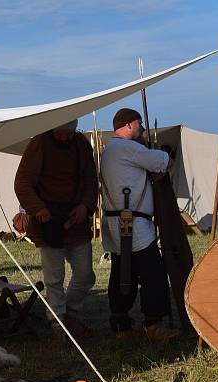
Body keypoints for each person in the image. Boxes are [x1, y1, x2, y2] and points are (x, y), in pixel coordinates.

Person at [14, 119, 98, 344]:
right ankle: (58, 323)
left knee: (85, 275)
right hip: (48, 222)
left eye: (67, 134)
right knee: (54, 278)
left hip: (76, 221)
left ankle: (70, 316)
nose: (63, 137)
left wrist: (85, 206)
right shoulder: (39, 143)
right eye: (59, 133)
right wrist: (38, 208)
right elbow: (22, 182)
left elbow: (91, 180)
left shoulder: (80, 143)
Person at [99, 108, 179, 341]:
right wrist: (162, 154)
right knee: (152, 273)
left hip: (119, 221)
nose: (141, 128)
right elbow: (165, 162)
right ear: (128, 125)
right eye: (138, 124)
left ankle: (121, 324)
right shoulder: (127, 148)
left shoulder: (110, 149)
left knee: (123, 273)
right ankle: (153, 324)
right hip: (134, 224)